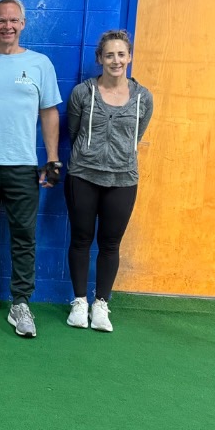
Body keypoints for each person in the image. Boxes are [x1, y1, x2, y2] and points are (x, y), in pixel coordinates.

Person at [0, 0, 62, 338]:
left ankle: (20, 302)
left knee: (23, 236)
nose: (7, 26)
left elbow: (49, 112)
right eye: (1, 20)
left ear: (23, 24)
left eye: (13, 20)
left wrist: (52, 159)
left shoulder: (40, 64)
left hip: (22, 166)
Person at [64, 30, 153, 332]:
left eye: (121, 54)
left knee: (111, 243)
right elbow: (74, 131)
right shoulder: (82, 93)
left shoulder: (143, 98)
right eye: (109, 55)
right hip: (83, 175)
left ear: (129, 57)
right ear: (100, 58)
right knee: (81, 238)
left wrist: (117, 156)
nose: (116, 60)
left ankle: (101, 304)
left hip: (123, 179)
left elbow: (136, 136)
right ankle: (79, 302)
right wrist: (90, 155)